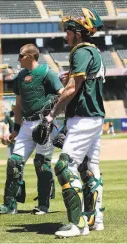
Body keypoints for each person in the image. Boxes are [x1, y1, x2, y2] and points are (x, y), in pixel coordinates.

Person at [45, 8, 105, 237]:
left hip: (82, 117)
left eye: (68, 30)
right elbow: (82, 80)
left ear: (79, 33)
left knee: (64, 166)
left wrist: (52, 113)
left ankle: (77, 224)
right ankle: (94, 218)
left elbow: (73, 87)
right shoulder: (95, 51)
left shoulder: (80, 51)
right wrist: (69, 76)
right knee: (90, 168)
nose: (65, 35)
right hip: (95, 116)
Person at [0, 44, 64, 215]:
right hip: (25, 125)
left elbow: (63, 94)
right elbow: (18, 105)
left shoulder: (47, 73)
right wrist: (15, 129)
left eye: (21, 55)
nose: (18, 59)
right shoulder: (20, 76)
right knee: (14, 162)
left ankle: (43, 205)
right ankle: (9, 205)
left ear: (30, 56)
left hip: (44, 125)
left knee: (42, 164)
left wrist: (51, 116)